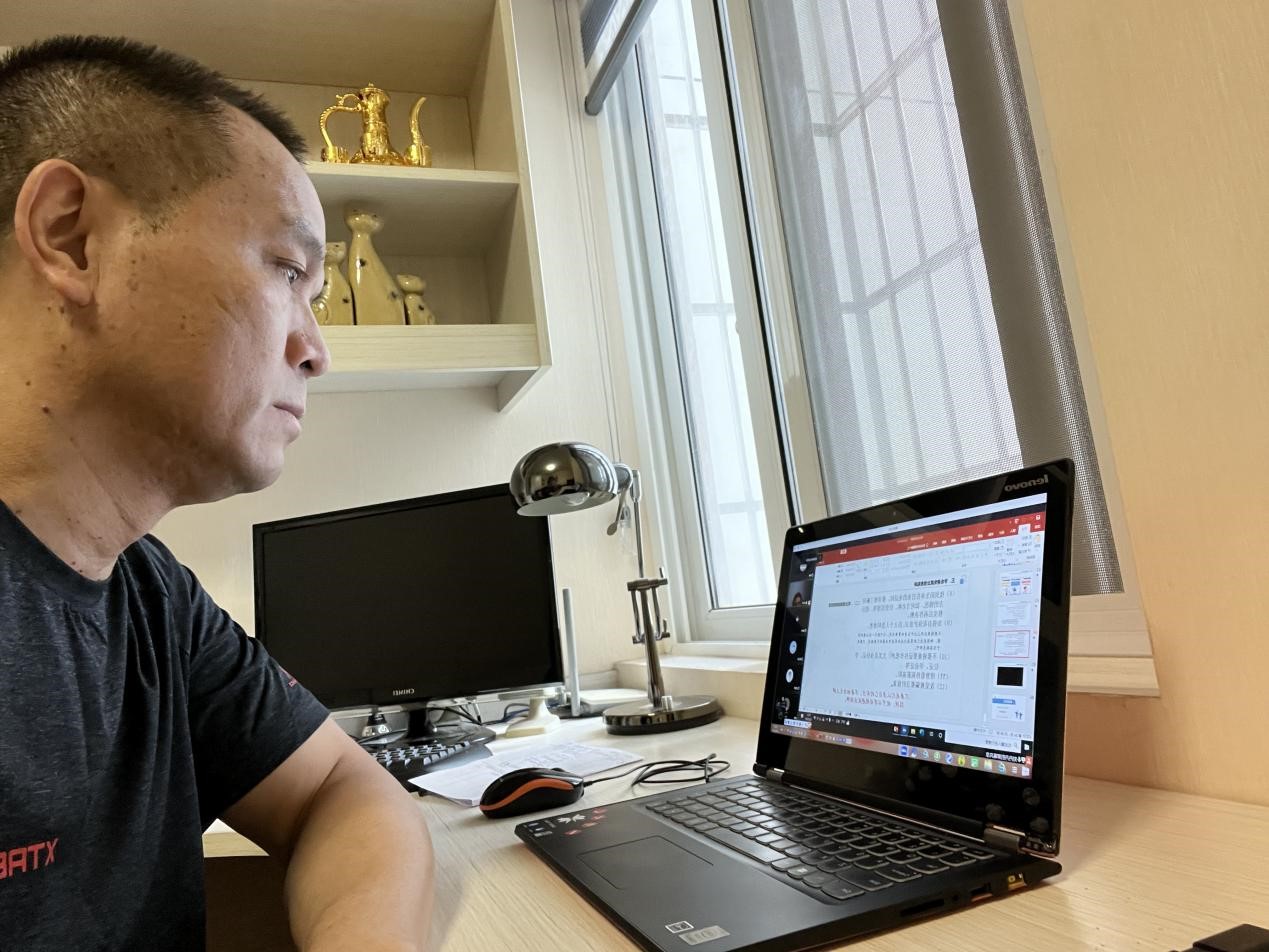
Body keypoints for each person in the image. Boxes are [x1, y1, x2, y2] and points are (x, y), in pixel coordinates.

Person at [0, 36, 433, 950]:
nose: (317, 351)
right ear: (71, 235)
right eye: (287, 270)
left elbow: (342, 790)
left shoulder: (150, 593)